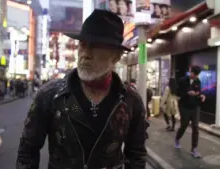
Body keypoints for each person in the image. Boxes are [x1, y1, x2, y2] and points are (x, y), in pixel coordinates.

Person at [16, 9, 147, 169]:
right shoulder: (50, 95)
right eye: (83, 45)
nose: (85, 53)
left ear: (117, 55)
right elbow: (27, 152)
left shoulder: (130, 101)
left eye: (95, 46)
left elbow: (136, 155)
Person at [175, 65, 206, 158]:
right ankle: (177, 139)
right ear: (190, 72)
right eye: (193, 73)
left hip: (195, 107)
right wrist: (187, 93)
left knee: (195, 127)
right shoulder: (183, 80)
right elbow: (178, 93)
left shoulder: (198, 81)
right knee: (184, 125)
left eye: (196, 74)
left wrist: (201, 95)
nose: (194, 75)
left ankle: (194, 149)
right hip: (184, 107)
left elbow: (198, 92)